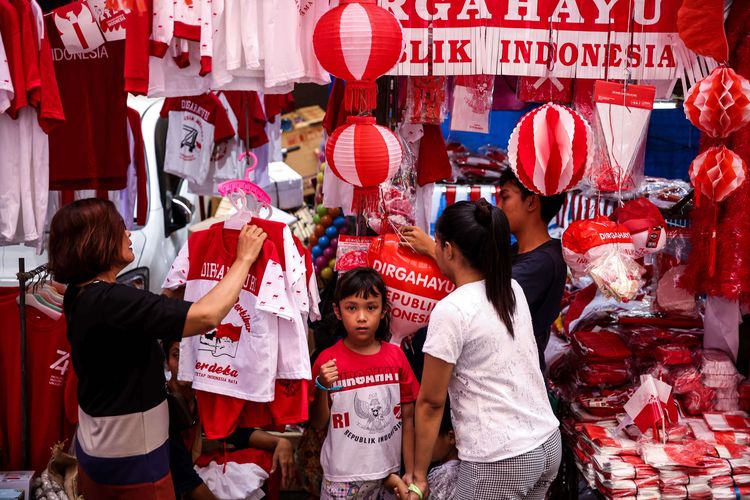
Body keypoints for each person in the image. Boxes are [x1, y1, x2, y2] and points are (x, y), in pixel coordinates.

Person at [48, 198, 267, 499]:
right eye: (120, 228)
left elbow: (139, 319)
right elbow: (207, 316)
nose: (128, 234)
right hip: (132, 463)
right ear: (96, 240)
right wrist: (243, 259)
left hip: (101, 451)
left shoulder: (81, 295)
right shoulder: (110, 301)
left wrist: (170, 298)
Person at [407, 200, 560, 500]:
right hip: (546, 445)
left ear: (448, 249)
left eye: (436, 243)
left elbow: (430, 404)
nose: (435, 250)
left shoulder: (452, 310)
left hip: (500, 459)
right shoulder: (510, 289)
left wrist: (418, 477)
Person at [400, 170, 567, 370]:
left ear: (531, 203)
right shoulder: (515, 252)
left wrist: (433, 250)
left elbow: (485, 294)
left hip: (510, 372)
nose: (500, 206)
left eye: (505, 197)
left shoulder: (544, 262)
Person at [309, 268, 420, 500]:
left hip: (389, 476)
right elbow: (318, 423)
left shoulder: (396, 357)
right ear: (337, 311)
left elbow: (408, 418)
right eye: (352, 308)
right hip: (341, 478)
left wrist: (409, 472)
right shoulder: (327, 361)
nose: (361, 317)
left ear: (383, 311)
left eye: (370, 307)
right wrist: (321, 386)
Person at [163, 339, 295, 500]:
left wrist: (279, 443)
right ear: (167, 362)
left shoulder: (201, 397)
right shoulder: (164, 403)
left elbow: (231, 432)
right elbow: (184, 476)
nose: (184, 363)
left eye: (192, 355)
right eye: (176, 355)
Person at [423, 403, 459, 500]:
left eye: (428, 439)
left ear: (451, 437)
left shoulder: (442, 474)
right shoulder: (463, 467)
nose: (423, 445)